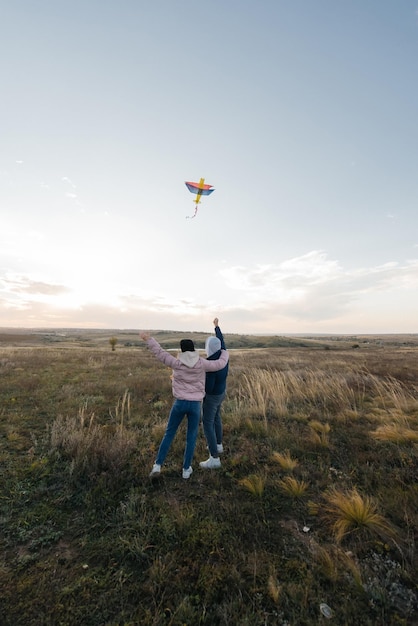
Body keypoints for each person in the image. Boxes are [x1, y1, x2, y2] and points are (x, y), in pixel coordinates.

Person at [140, 332, 229, 479]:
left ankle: (157, 465)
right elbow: (219, 363)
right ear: (194, 349)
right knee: (191, 436)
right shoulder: (202, 363)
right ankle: (186, 470)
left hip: (179, 403)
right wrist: (224, 351)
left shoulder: (176, 362)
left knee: (169, 433)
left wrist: (148, 339)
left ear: (181, 350)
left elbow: (159, 352)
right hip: (195, 405)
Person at [199, 318, 229, 470]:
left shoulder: (210, 364)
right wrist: (217, 327)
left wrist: (200, 391)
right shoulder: (224, 355)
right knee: (217, 418)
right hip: (222, 393)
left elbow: (208, 388)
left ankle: (214, 458)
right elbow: (221, 341)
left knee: (207, 423)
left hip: (212, 397)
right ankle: (218, 445)